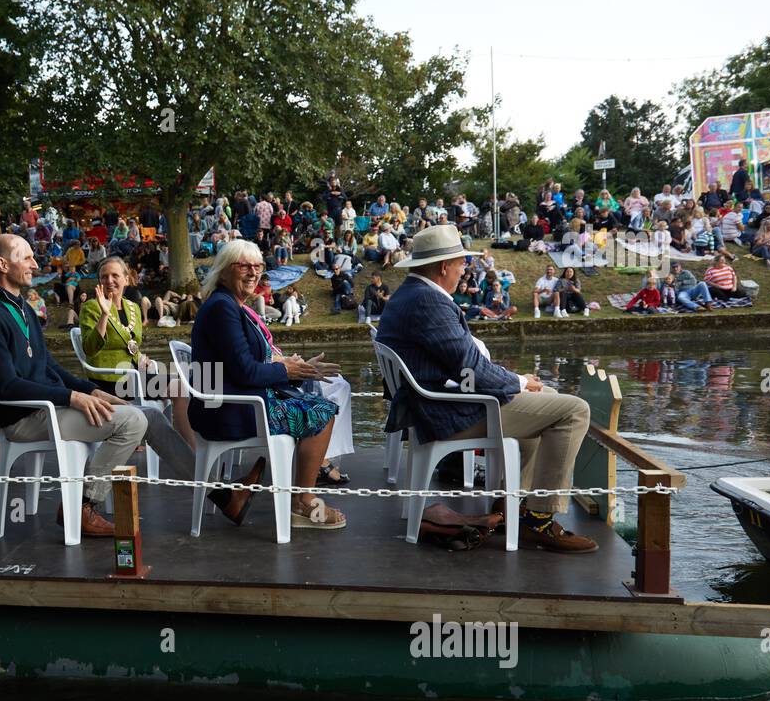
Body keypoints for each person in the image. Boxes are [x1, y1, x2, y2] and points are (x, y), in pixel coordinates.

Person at [374, 224, 597, 552]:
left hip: (435, 403)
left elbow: (463, 367)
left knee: (547, 399)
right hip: (446, 414)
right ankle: (538, 519)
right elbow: (470, 369)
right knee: (575, 411)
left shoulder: (411, 294)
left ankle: (511, 508)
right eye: (463, 262)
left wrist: (515, 381)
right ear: (444, 267)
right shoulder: (428, 302)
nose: (466, 268)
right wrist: (518, 381)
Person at [0, 233, 148, 537]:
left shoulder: (22, 306)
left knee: (147, 416)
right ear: (2, 264)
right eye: (26, 257)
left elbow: (49, 366)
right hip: (25, 417)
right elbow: (5, 386)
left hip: (49, 406)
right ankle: (83, 506)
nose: (36, 263)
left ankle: (215, 493)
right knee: (131, 422)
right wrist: (71, 397)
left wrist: (90, 390)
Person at [190, 240, 347, 530]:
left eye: (258, 266)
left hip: (233, 402)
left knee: (317, 405)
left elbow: (250, 366)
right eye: (244, 266)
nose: (253, 273)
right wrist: (284, 369)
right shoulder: (223, 309)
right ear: (224, 271)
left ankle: (300, 498)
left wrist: (299, 370)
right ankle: (303, 502)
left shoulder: (227, 305)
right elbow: (247, 372)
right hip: (228, 411)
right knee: (324, 412)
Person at [79, 255, 197, 456]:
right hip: (110, 380)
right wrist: (105, 315)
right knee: (179, 388)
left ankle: (190, 449)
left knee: (182, 386)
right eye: (104, 276)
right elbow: (89, 348)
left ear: (126, 279)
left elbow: (131, 343)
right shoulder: (91, 307)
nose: (109, 281)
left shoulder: (132, 307)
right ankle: (194, 451)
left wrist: (142, 358)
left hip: (134, 375)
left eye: (115, 275)